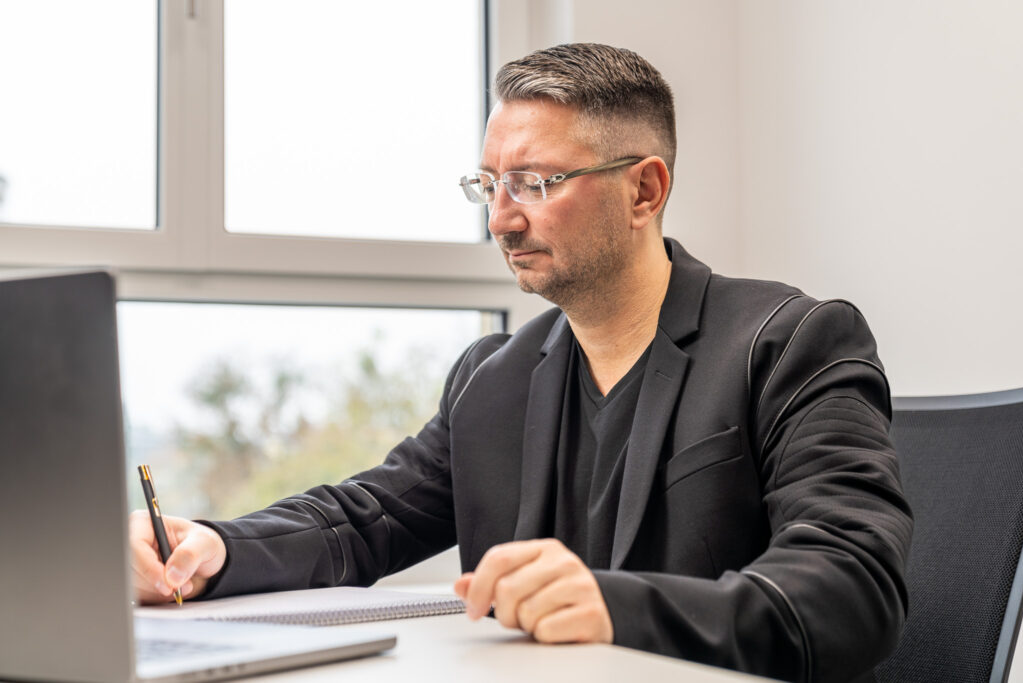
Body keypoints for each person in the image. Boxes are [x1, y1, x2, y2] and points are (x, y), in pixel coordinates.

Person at [131, 43, 912, 682]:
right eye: (491, 185)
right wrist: (212, 545)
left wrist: (618, 608)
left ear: (645, 191)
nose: (502, 218)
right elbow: (363, 519)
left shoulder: (790, 342)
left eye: (536, 183)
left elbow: (852, 585)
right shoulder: (491, 377)